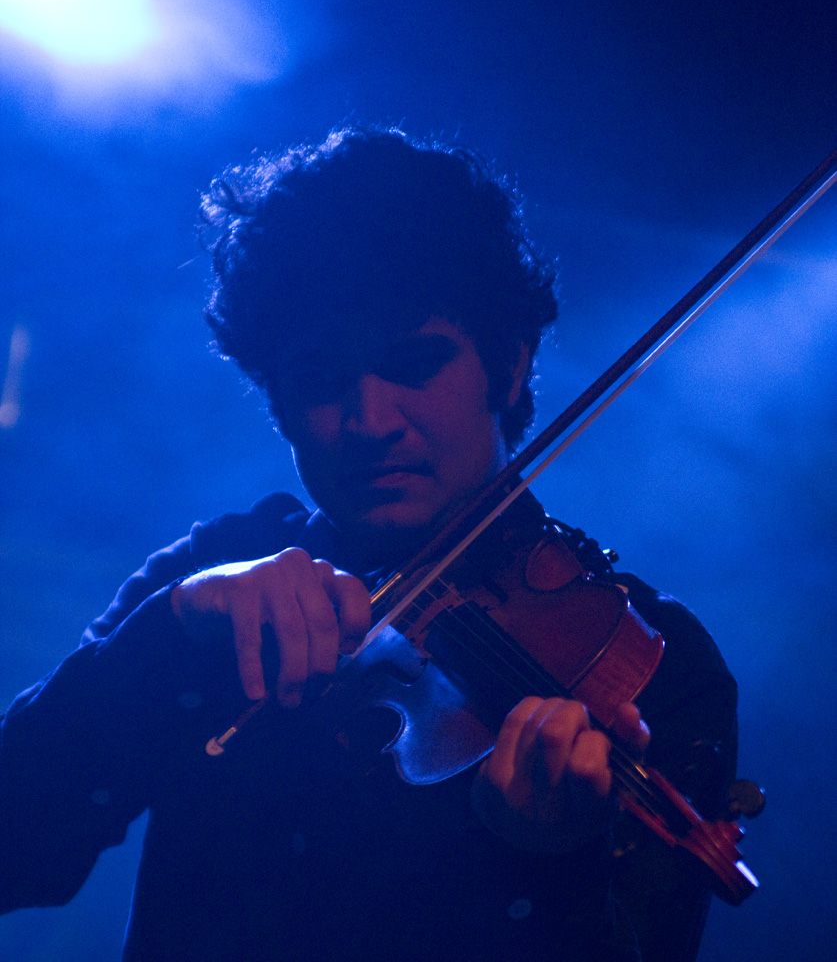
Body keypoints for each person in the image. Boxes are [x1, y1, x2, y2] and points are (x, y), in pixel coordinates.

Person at [0, 127, 738, 961]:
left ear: (508, 367)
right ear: (277, 403)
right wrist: (172, 628)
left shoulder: (657, 661)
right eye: (320, 382)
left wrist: (541, 871)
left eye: (414, 364)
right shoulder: (214, 580)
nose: (368, 423)